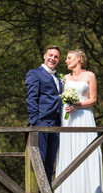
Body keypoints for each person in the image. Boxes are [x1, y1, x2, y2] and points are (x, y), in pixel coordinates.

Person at [54, 50, 103, 193]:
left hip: (83, 117)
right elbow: (61, 98)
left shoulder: (90, 76)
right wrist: (67, 105)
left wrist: (77, 105)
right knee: (68, 151)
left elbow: (93, 99)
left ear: (79, 59)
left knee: (84, 150)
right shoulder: (64, 78)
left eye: (69, 58)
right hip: (67, 118)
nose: (66, 61)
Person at [25, 45, 62, 185]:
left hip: (56, 123)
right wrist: (35, 120)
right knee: (38, 159)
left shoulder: (58, 77)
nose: (53, 58)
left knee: (50, 160)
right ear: (45, 56)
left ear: (58, 60)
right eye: (50, 55)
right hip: (41, 121)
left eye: (56, 57)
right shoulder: (35, 73)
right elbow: (31, 98)